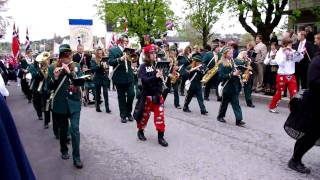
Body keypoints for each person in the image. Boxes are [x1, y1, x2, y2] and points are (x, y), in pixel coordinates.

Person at [288, 33, 320, 174]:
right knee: (310, 135)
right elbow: (312, 82)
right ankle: (295, 160)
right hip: (314, 105)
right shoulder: (317, 61)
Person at [50, 44, 83, 168]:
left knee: (75, 130)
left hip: (74, 102)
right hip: (61, 104)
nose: (67, 58)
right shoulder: (53, 67)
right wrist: (56, 77)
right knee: (63, 130)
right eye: (64, 56)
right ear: (60, 57)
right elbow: (49, 87)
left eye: (68, 55)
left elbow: (79, 82)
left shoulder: (77, 67)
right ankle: (63, 150)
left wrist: (70, 72)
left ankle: (77, 158)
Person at [135, 44, 168, 147]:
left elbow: (160, 79)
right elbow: (144, 80)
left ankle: (161, 137)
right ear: (147, 55)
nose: (154, 55)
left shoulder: (157, 65)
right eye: (152, 53)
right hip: (147, 96)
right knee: (144, 117)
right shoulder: (143, 66)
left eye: (155, 53)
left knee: (160, 117)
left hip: (157, 95)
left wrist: (162, 76)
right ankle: (140, 131)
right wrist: (155, 76)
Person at [269, 38, 305, 113]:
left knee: (294, 94)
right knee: (280, 93)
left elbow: (299, 59)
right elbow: (280, 63)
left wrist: (300, 53)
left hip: (291, 75)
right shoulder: (280, 52)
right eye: (289, 44)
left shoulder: (292, 51)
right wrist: (285, 54)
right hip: (282, 75)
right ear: (285, 44)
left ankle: (293, 110)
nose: (290, 46)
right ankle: (272, 107)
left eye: (291, 44)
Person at [108, 34, 135, 123]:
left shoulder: (129, 50)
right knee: (121, 97)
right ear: (120, 41)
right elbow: (110, 62)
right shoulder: (113, 50)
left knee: (131, 94)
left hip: (129, 76)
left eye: (127, 41)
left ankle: (128, 112)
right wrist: (120, 59)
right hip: (119, 77)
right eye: (125, 41)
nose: (126, 43)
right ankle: (123, 115)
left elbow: (134, 59)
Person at [217, 47, 246, 127]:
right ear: (225, 54)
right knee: (224, 103)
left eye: (232, 53)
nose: (231, 55)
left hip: (234, 86)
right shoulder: (221, 63)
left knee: (236, 103)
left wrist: (240, 74)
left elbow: (235, 72)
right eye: (230, 53)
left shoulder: (233, 62)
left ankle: (239, 120)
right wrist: (231, 74)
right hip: (226, 86)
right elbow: (220, 76)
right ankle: (220, 116)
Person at [29, 52, 51, 128]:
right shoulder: (32, 66)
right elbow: (34, 76)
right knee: (37, 102)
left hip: (46, 89)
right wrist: (41, 71)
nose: (46, 60)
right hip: (37, 87)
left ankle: (46, 122)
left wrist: (48, 67)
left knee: (46, 106)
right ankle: (39, 114)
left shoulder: (49, 66)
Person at [91, 48, 111, 113]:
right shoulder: (93, 60)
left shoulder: (105, 59)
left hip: (104, 78)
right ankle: (97, 107)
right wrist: (99, 65)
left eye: (101, 53)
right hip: (97, 78)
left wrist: (106, 67)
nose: (100, 54)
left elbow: (107, 67)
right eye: (99, 53)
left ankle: (107, 108)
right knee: (97, 94)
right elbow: (93, 69)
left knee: (106, 93)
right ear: (97, 54)